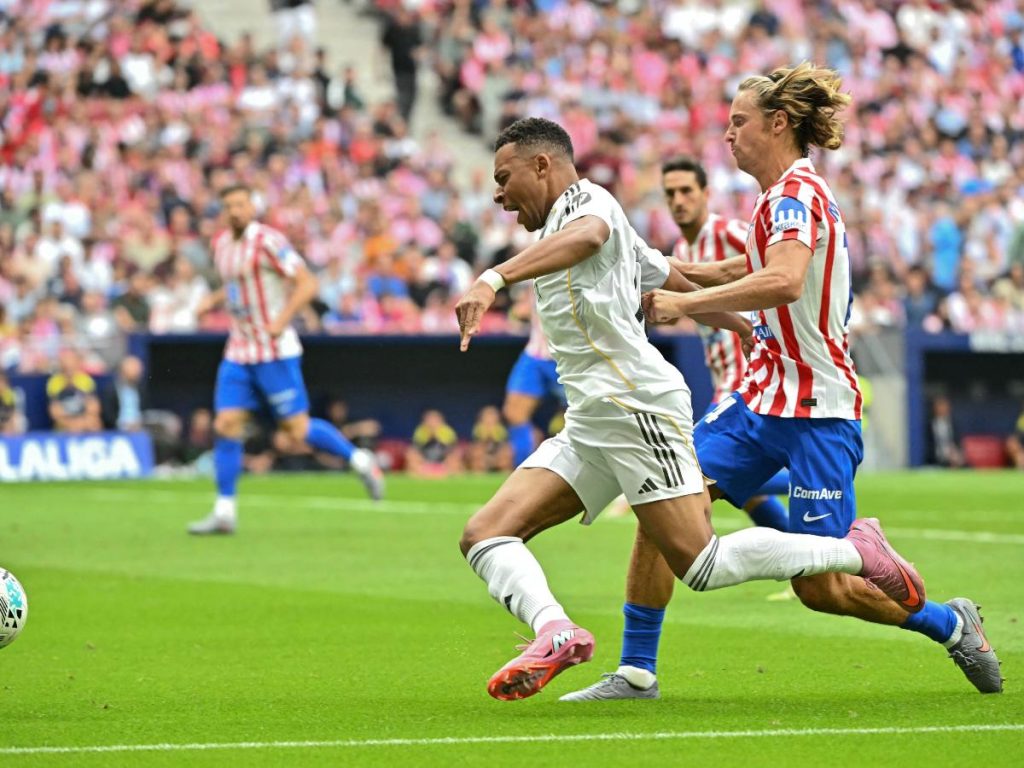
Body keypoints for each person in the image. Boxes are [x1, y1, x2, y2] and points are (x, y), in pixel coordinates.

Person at [563, 64, 1000, 701]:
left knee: (818, 587)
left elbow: (786, 278)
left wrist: (681, 305)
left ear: (777, 123)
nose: (727, 135)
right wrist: (676, 271)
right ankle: (636, 671)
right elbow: (758, 263)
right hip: (758, 398)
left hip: (818, 409)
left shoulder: (798, 194)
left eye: (738, 122)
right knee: (663, 505)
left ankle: (949, 623)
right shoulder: (777, 198)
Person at [455, 116, 928, 702]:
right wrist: (745, 328)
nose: (498, 194)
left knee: (700, 565)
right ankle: (555, 632)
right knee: (485, 534)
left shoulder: (589, 205)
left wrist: (493, 279)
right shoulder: (564, 226)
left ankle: (855, 551)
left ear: (543, 165)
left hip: (637, 408)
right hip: (592, 419)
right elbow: (671, 275)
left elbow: (591, 237)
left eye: (504, 177)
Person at [187, 185, 383, 535]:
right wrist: (213, 301)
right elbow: (238, 286)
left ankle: (360, 461)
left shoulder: (268, 241)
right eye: (228, 205)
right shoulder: (221, 245)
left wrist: (282, 319)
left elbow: (307, 283)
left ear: (252, 208)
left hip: (275, 351)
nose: (235, 210)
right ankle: (224, 511)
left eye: (241, 204)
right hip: (239, 350)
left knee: (297, 429)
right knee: (225, 425)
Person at [503, 284, 565, 467]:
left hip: (572, 357)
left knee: (593, 418)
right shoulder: (536, 264)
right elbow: (521, 309)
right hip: (536, 354)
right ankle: (523, 472)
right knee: (514, 412)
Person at [46, 347, 102, 433]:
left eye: (71, 365)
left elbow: (94, 407)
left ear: (77, 363)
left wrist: (82, 422)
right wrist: (71, 424)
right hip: (65, 422)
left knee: (95, 423)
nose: (69, 368)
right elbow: (55, 412)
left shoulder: (86, 380)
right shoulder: (54, 383)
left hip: (84, 420)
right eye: (66, 366)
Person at [405, 409, 462, 477]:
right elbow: (414, 453)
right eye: (429, 421)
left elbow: (453, 453)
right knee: (411, 457)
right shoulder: (419, 433)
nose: (432, 424)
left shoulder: (448, 433)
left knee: (455, 460)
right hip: (424, 466)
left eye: (435, 421)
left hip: (443, 466)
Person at [467, 405, 513, 473]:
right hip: (483, 460)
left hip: (497, 458)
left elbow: (506, 451)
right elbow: (474, 452)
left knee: (506, 454)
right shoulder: (477, 433)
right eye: (486, 421)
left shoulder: (502, 433)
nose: (489, 425)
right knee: (477, 454)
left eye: (492, 421)